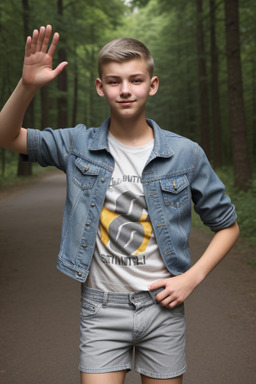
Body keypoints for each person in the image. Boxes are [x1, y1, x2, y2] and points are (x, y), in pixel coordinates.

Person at [0, 25, 239, 384]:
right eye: (113, 81)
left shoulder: (185, 153)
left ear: (152, 84)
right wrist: (28, 86)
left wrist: (192, 278)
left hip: (163, 309)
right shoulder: (77, 144)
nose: (125, 90)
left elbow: (227, 226)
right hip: (101, 309)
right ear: (100, 87)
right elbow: (7, 136)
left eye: (135, 80)